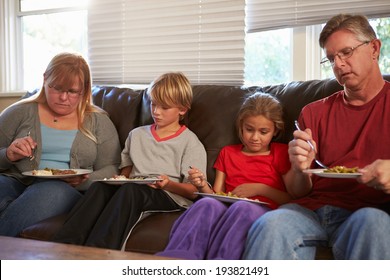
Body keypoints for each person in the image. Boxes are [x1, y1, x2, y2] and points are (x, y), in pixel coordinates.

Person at [243, 14, 390, 260]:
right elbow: (298, 191)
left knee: (374, 223)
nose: (339, 65)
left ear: (374, 48)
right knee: (271, 224)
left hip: (367, 211)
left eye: (346, 52)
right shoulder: (313, 112)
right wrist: (300, 168)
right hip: (310, 211)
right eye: (332, 58)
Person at [51, 72, 207, 250]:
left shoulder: (190, 142)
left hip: (170, 195)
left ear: (182, 109)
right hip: (134, 186)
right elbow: (127, 172)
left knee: (131, 191)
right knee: (99, 187)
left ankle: (99, 252)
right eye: (153, 104)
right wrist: (120, 179)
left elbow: (194, 192)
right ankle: (63, 246)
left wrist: (167, 184)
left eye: (164, 107)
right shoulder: (137, 135)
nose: (156, 111)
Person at [156, 92, 293, 259]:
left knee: (242, 207)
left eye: (263, 132)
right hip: (227, 207)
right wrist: (201, 185)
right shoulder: (228, 153)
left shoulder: (281, 152)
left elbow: (290, 199)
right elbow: (217, 195)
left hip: (261, 210)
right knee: (206, 203)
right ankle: (176, 260)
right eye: (249, 130)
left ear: (275, 131)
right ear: (241, 126)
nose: (255, 137)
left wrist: (260, 189)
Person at [0, 52, 121, 237]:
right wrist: (8, 154)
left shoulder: (99, 121)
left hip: (64, 190)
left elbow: (112, 168)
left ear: (85, 89)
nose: (63, 98)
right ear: (45, 79)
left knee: (50, 192)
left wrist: (84, 180)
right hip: (15, 180)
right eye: (57, 88)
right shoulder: (18, 112)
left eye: (72, 92)